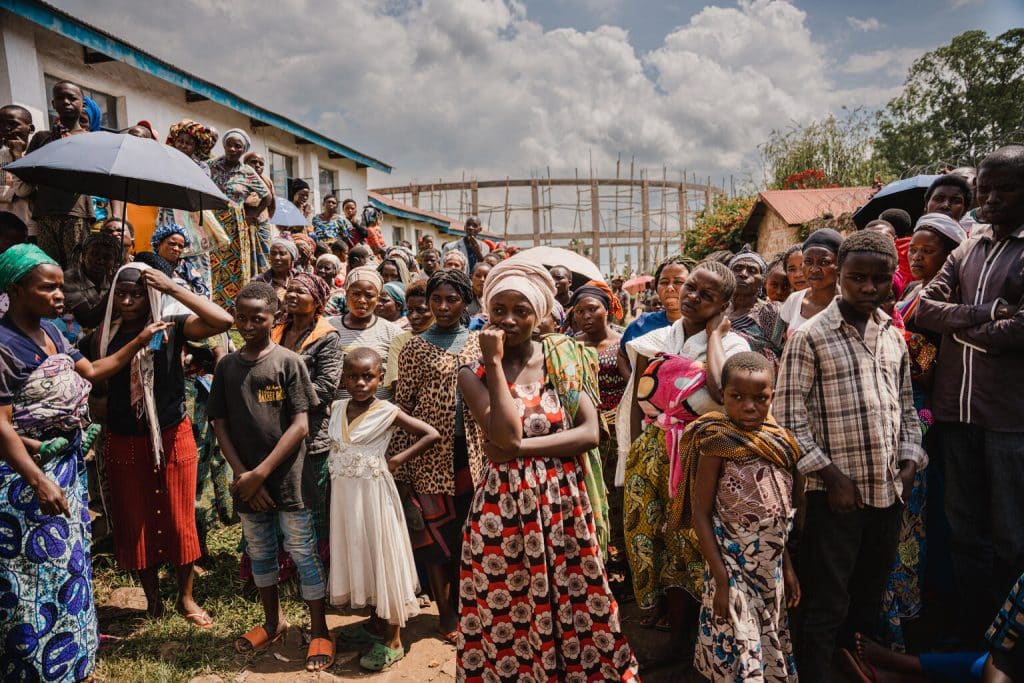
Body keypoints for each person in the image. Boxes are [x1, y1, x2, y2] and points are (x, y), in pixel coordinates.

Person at [456, 260, 640, 680]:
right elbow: (501, 429)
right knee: (512, 605)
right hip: (503, 512)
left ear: (539, 312)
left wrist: (520, 448)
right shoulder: (474, 371)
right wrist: (496, 364)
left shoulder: (565, 357)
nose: (508, 319)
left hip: (563, 505)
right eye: (498, 309)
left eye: (521, 310)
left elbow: (590, 434)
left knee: (579, 597)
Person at [0, 245, 171, 683]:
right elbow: (2, 427)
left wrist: (138, 340)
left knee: (70, 563)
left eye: (61, 286)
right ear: (16, 290)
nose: (60, 295)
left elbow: (93, 372)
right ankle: (33, 667)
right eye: (48, 287)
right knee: (29, 573)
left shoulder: (54, 332)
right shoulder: (2, 348)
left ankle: (74, 657)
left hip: (65, 469)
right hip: (24, 479)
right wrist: (38, 480)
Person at [776, 230, 926, 680]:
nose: (868, 288)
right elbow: (787, 419)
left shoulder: (892, 337)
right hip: (834, 497)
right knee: (826, 600)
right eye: (857, 277)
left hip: (886, 493)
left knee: (868, 595)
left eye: (879, 280)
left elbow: (905, 410)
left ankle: (855, 669)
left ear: (890, 281)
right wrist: (831, 476)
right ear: (838, 276)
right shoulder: (810, 336)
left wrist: (909, 461)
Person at [915, 145, 1024, 647]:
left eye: (1008, 188)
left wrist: (965, 323)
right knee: (963, 532)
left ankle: (1009, 638)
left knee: (1011, 537)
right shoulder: (966, 249)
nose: (994, 198)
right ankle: (972, 629)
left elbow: (1017, 335)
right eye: (987, 189)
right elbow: (924, 309)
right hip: (954, 415)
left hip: (1008, 420)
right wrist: (987, 313)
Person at [83, 260, 233, 624]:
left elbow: (223, 321)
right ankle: (153, 600)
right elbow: (86, 382)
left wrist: (172, 288)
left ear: (149, 293)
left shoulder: (171, 328)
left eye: (136, 293)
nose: (128, 300)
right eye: (121, 293)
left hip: (171, 432)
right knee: (135, 522)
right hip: (123, 438)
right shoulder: (99, 337)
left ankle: (185, 598)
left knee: (180, 517)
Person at [619, 261, 749, 647]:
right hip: (651, 451)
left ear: (724, 304)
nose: (692, 297)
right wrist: (629, 461)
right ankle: (663, 621)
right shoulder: (654, 340)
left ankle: (697, 627)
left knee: (692, 538)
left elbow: (722, 390)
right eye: (691, 288)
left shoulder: (734, 346)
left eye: (707, 296)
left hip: (701, 454)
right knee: (649, 530)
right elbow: (633, 403)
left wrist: (714, 337)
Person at [208, 281, 332, 672]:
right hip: (248, 482)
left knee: (302, 552)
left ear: (274, 317)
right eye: (240, 317)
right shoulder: (227, 366)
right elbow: (219, 423)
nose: (247, 324)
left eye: (256, 317)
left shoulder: (288, 362)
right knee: (260, 552)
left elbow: (299, 426)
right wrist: (245, 475)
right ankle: (271, 622)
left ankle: (320, 629)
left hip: (288, 480)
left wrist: (261, 473)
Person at [684, 352, 801, 682]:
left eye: (760, 398)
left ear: (772, 397)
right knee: (740, 649)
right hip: (732, 565)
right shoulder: (717, 444)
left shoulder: (779, 444)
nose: (749, 407)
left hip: (770, 567)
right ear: (722, 396)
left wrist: (787, 567)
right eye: (737, 397)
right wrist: (721, 579)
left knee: (765, 646)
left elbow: (778, 513)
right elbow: (701, 514)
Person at [329, 348, 440, 671]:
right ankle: (375, 622)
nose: (360, 382)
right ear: (344, 378)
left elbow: (430, 434)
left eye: (368, 376)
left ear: (380, 378)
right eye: (353, 376)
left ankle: (394, 638)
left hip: (375, 495)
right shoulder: (337, 408)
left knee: (382, 555)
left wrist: (397, 460)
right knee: (360, 554)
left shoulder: (387, 411)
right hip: (345, 499)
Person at [884, 212, 967, 647]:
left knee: (912, 517)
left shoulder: (944, 298)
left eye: (927, 250)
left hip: (920, 415)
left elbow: (927, 369)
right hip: (903, 407)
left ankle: (907, 619)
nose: (915, 256)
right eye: (911, 248)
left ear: (951, 256)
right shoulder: (912, 293)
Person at [391, 270, 481, 641]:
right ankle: (446, 615)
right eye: (436, 300)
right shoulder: (414, 347)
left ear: (465, 302)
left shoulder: (478, 343)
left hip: (473, 455)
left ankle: (471, 608)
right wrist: (400, 464)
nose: (443, 307)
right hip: (428, 455)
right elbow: (403, 405)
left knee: (468, 536)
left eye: (452, 300)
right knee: (436, 541)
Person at [272, 272, 342, 561]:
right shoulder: (275, 330)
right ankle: (280, 561)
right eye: (290, 289)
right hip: (273, 428)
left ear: (317, 302)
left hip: (311, 433)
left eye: (301, 292)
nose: (292, 295)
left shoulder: (327, 337)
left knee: (312, 501)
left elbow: (325, 388)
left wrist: (277, 395)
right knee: (277, 497)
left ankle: (315, 564)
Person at [568, 281, 624, 557]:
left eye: (592, 309)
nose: (586, 316)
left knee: (616, 493)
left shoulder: (624, 343)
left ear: (608, 310)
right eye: (579, 312)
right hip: (582, 432)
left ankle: (619, 556)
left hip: (617, 432)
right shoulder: (569, 347)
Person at [28, 82, 94, 268]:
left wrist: (67, 147)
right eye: (60, 98)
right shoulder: (42, 138)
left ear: (83, 104)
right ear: (53, 103)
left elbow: (91, 175)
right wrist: (51, 144)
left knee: (77, 268)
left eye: (72, 98)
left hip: (76, 213)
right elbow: (29, 173)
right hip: (45, 213)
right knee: (49, 267)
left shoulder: (90, 140)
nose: (66, 102)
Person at [208, 128, 270, 309]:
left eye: (238, 146)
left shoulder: (247, 171)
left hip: (236, 226)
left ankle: (233, 307)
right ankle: (211, 305)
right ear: (224, 145)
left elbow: (267, 197)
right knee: (212, 263)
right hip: (211, 221)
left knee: (235, 266)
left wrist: (252, 215)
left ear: (244, 150)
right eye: (229, 144)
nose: (233, 149)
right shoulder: (211, 165)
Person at [328, 266, 403, 399]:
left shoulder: (393, 333)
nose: (362, 300)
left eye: (369, 295)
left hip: (380, 414)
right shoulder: (328, 327)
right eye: (356, 294)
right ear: (346, 294)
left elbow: (399, 381)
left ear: (378, 298)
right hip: (338, 413)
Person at [777, 228, 843, 338]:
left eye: (824, 262)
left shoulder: (850, 305)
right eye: (808, 262)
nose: (814, 269)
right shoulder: (794, 301)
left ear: (840, 265)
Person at [728, 246, 783, 367]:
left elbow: (781, 351)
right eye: (737, 268)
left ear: (762, 280)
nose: (743, 274)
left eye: (752, 270)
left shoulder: (770, 311)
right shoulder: (719, 312)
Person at [62, 231, 120, 329]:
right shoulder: (70, 278)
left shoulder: (112, 278)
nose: (100, 260)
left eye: (107, 257)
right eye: (94, 254)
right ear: (84, 256)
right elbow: (87, 321)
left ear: (114, 261)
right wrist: (114, 289)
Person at [383, 278, 433, 388]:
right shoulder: (401, 341)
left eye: (421, 310)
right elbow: (396, 381)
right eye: (410, 310)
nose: (413, 316)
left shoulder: (447, 337)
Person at [0, 104, 35, 231]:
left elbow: (23, 191)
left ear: (30, 128)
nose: (6, 129)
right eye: (1, 125)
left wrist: (17, 156)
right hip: (4, 230)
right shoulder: (2, 157)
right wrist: (13, 192)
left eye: (12, 124)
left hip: (29, 228)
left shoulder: (36, 155)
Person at [151, 223, 209, 298]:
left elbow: (203, 294)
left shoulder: (186, 267)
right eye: (172, 244)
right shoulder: (148, 263)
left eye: (180, 246)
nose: (176, 249)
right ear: (159, 244)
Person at [242, 153, 276, 270]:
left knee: (265, 257)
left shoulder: (267, 181)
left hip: (262, 225)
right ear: (245, 164)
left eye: (261, 163)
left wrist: (259, 215)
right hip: (244, 223)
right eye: (253, 162)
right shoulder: (240, 180)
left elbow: (271, 204)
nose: (257, 165)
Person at [253, 236, 297, 321]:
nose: (277, 258)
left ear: (292, 257)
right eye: (273, 253)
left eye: (282, 254)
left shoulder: (299, 278)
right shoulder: (258, 281)